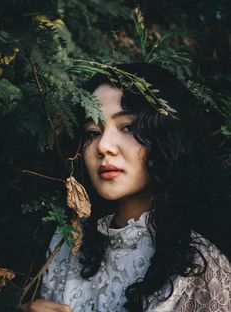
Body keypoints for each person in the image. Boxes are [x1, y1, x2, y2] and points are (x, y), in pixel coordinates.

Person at [22, 63, 231, 312]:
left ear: (166, 137)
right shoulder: (67, 239)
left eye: (128, 127)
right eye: (92, 132)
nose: (104, 146)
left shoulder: (200, 266)